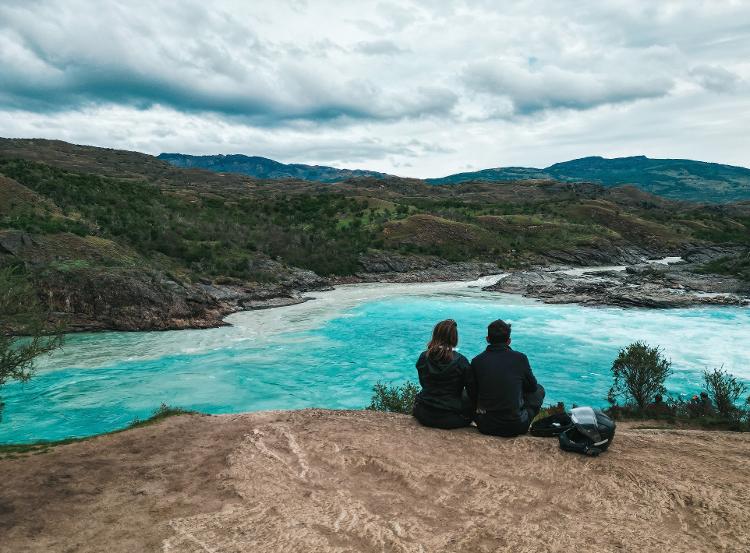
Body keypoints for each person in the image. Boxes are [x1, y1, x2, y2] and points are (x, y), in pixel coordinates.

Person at [471, 319, 545, 437]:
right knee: (539, 390)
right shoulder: (520, 358)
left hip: (486, 425)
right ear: (509, 341)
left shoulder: (476, 361)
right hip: (516, 426)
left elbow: (472, 393)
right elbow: (532, 387)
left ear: (487, 339)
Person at [413, 319, 476, 429]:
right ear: (454, 338)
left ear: (435, 335)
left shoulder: (424, 357)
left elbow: (423, 383)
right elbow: (472, 392)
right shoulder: (461, 361)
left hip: (423, 413)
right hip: (451, 418)